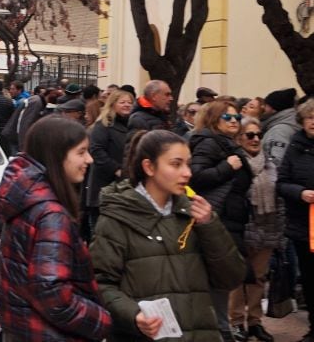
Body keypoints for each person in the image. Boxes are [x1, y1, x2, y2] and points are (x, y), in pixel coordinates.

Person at [91, 130, 246, 341]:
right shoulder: (117, 218)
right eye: (176, 164)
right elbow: (100, 284)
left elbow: (231, 278)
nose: (187, 173)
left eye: (188, 164)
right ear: (149, 167)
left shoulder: (196, 214)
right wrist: (134, 316)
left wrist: (210, 227)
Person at [0, 116, 111, 341]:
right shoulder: (51, 215)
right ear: (56, 155)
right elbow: (52, 294)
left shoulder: (26, 198)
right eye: (81, 152)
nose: (89, 159)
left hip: (24, 329)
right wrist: (101, 320)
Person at [188, 99, 251, 340]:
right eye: (228, 117)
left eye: (237, 117)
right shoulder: (209, 143)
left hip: (228, 220)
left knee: (222, 277)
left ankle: (220, 329)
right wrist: (227, 166)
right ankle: (220, 331)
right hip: (217, 220)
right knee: (219, 277)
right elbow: (196, 177)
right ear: (215, 120)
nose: (234, 121)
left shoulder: (225, 143)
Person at [228, 117, 281, 342]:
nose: (255, 139)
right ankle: (237, 322)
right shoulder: (234, 163)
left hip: (266, 228)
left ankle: (255, 322)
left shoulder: (270, 163)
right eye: (250, 135)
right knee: (238, 278)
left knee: (259, 278)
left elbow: (278, 198)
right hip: (242, 228)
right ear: (239, 138)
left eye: (258, 134)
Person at [275, 98, 314, 342]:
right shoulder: (295, 147)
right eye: (310, 118)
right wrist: (300, 193)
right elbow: (281, 183)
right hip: (304, 227)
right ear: (302, 121)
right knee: (310, 279)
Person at [85, 89, 134, 235]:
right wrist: (116, 169)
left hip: (125, 185)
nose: (127, 105)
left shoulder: (132, 125)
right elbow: (97, 151)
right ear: (112, 104)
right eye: (123, 102)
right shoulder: (104, 125)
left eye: (130, 102)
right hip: (104, 184)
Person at [262, 87, 299, 164]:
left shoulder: (280, 131)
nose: (263, 108)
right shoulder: (284, 125)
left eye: (266, 105)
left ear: (274, 109)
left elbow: (276, 163)